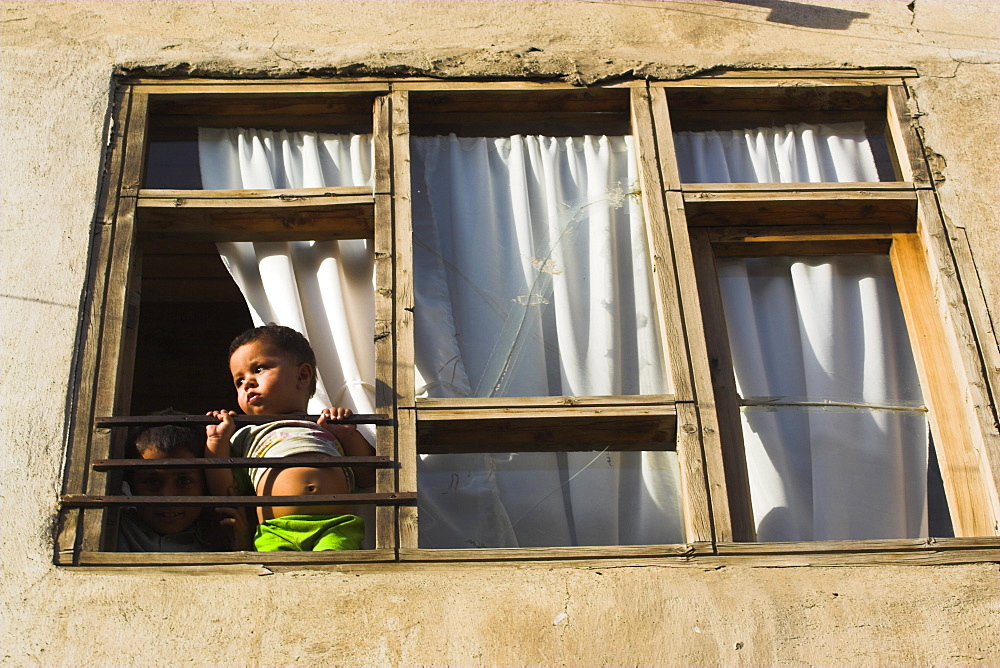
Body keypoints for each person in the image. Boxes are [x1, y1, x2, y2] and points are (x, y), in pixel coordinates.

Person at [205, 323, 376, 551]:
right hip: (276, 531)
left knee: (337, 576)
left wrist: (348, 434)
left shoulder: (325, 426)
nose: (248, 383)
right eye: (239, 381)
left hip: (335, 527)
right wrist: (216, 444)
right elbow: (227, 490)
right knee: (277, 581)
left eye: (259, 369)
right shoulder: (244, 434)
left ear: (303, 375)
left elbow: (368, 477)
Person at [118, 416, 250, 552]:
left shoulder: (221, 539)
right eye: (152, 482)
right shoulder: (115, 526)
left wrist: (243, 547)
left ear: (204, 485)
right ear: (131, 484)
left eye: (184, 481)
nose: (168, 497)